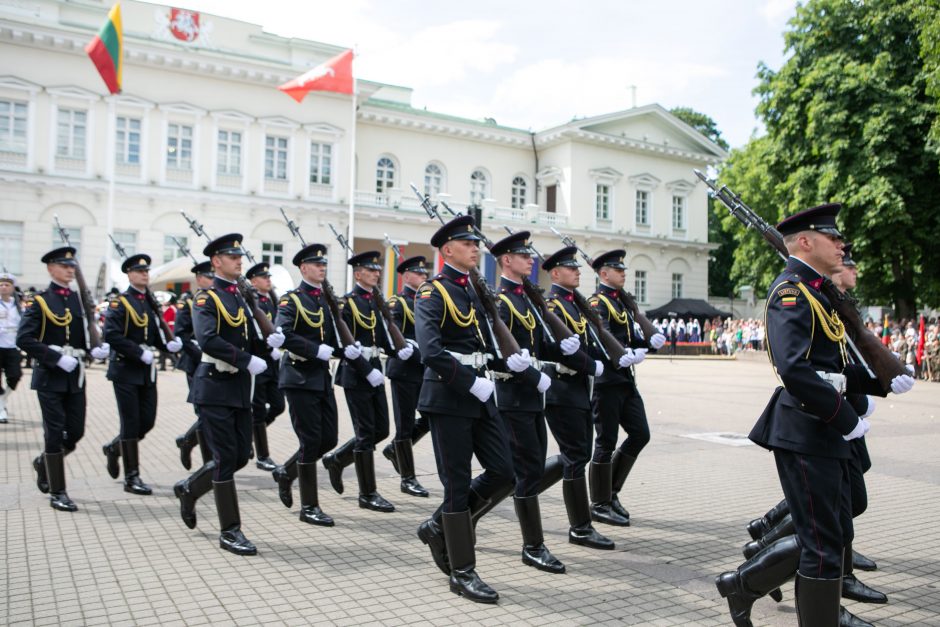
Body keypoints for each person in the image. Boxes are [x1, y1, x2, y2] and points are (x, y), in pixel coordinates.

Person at [715, 205, 915, 627]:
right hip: (807, 429)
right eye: (833, 237)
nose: (842, 244)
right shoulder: (791, 292)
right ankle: (750, 586)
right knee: (823, 544)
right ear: (805, 241)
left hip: (822, 430)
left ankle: (751, 587)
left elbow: (836, 366)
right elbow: (793, 369)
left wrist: (881, 381)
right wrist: (846, 418)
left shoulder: (819, 292)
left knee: (830, 535)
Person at [414, 214, 516, 603]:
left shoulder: (473, 289)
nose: (476, 248)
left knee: (504, 472)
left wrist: (507, 364)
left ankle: (439, 526)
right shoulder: (432, 292)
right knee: (456, 485)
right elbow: (431, 350)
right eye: (468, 244)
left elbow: (483, 340)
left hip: (479, 394)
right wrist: (470, 381)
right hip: (450, 395)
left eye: (476, 243)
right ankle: (463, 572)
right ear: (447, 250)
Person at [173, 233, 278, 555]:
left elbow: (247, 337)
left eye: (239, 256)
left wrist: (270, 346)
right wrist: (247, 359)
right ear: (216, 262)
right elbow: (207, 339)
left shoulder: (243, 297)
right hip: (214, 386)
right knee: (222, 459)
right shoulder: (207, 298)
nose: (239, 260)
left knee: (240, 456)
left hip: (238, 389)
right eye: (232, 257)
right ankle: (230, 531)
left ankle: (190, 488)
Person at [17, 246, 110, 511]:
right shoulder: (40, 301)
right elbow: (24, 339)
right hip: (50, 377)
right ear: (50, 268)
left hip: (75, 377)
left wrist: (95, 348)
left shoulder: (78, 300)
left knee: (76, 431)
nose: (70, 269)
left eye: (72, 266)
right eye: (64, 265)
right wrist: (55, 357)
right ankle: (58, 491)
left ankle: (45, 462)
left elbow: (81, 333)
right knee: (55, 432)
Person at [540, 246, 614, 550]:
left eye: (577, 268)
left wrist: (609, 358)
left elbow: (585, 341)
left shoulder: (575, 305)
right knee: (574, 457)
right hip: (561, 388)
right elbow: (558, 348)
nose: (577, 271)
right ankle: (580, 527)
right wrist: (590, 364)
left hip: (579, 388)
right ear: (556, 273)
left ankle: (524, 486)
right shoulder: (554, 306)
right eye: (571, 268)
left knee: (579, 454)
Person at [588, 250, 666, 527]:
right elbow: (602, 336)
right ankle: (599, 503)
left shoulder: (622, 303)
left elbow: (631, 336)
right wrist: (627, 352)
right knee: (606, 442)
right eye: (617, 269)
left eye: (623, 269)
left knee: (640, 434)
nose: (623, 272)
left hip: (625, 381)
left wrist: (648, 343)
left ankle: (611, 491)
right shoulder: (597, 303)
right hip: (606, 383)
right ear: (603, 273)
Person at [322, 251, 399, 512]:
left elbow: (383, 337)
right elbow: (344, 344)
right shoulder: (347, 303)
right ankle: (368, 493)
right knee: (366, 434)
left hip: (375, 370)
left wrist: (399, 349)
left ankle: (337, 459)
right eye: (370, 270)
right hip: (356, 374)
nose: (377, 273)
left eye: (377, 269)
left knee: (382, 430)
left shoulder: (376, 302)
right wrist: (366, 370)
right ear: (358, 274)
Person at [270, 243, 341, 526]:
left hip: (321, 377)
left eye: (324, 264)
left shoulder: (324, 299)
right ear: (303, 268)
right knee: (311, 440)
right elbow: (282, 333)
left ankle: (286, 472)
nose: (322, 267)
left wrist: (345, 348)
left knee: (329, 439)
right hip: (299, 377)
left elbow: (333, 333)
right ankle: (309, 506)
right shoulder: (292, 300)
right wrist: (313, 349)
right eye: (316, 264)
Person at [101, 254, 182, 494]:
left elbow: (152, 334)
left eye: (147, 271)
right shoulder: (120, 302)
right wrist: (138, 352)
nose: (145, 274)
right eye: (139, 271)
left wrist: (167, 345)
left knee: (146, 422)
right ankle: (131, 477)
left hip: (146, 371)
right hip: (126, 370)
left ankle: (115, 448)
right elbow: (112, 335)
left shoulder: (147, 301)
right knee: (130, 423)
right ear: (129, 274)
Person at [382, 255, 431, 498]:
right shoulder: (397, 302)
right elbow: (395, 335)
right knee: (404, 424)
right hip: (404, 371)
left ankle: (395, 450)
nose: (424, 277)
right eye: (419, 273)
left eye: (425, 273)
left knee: (430, 417)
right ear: (406, 276)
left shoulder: (426, 299)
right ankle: (407, 478)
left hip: (424, 370)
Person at [174, 262, 216, 470]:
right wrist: (201, 354)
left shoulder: (217, 300)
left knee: (211, 412)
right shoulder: (189, 303)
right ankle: (208, 462)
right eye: (209, 277)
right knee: (204, 413)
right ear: (199, 279)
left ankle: (187, 440)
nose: (212, 280)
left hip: (214, 363)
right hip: (195, 363)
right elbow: (181, 335)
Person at [245, 261, 286, 471]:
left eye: (269, 277)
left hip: (272, 363)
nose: (268, 280)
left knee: (278, 405)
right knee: (258, 410)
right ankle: (263, 455)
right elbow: (253, 331)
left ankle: (252, 434)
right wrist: (266, 346)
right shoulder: (252, 301)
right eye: (264, 277)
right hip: (258, 361)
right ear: (253, 281)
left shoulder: (270, 300)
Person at [0, 272, 23, 424]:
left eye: (7, 284)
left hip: (12, 345)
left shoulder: (19, 306)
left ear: (12, 287)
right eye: (1, 284)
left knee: (15, 376)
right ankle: (1, 408)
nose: (3, 287)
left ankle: (2, 400)